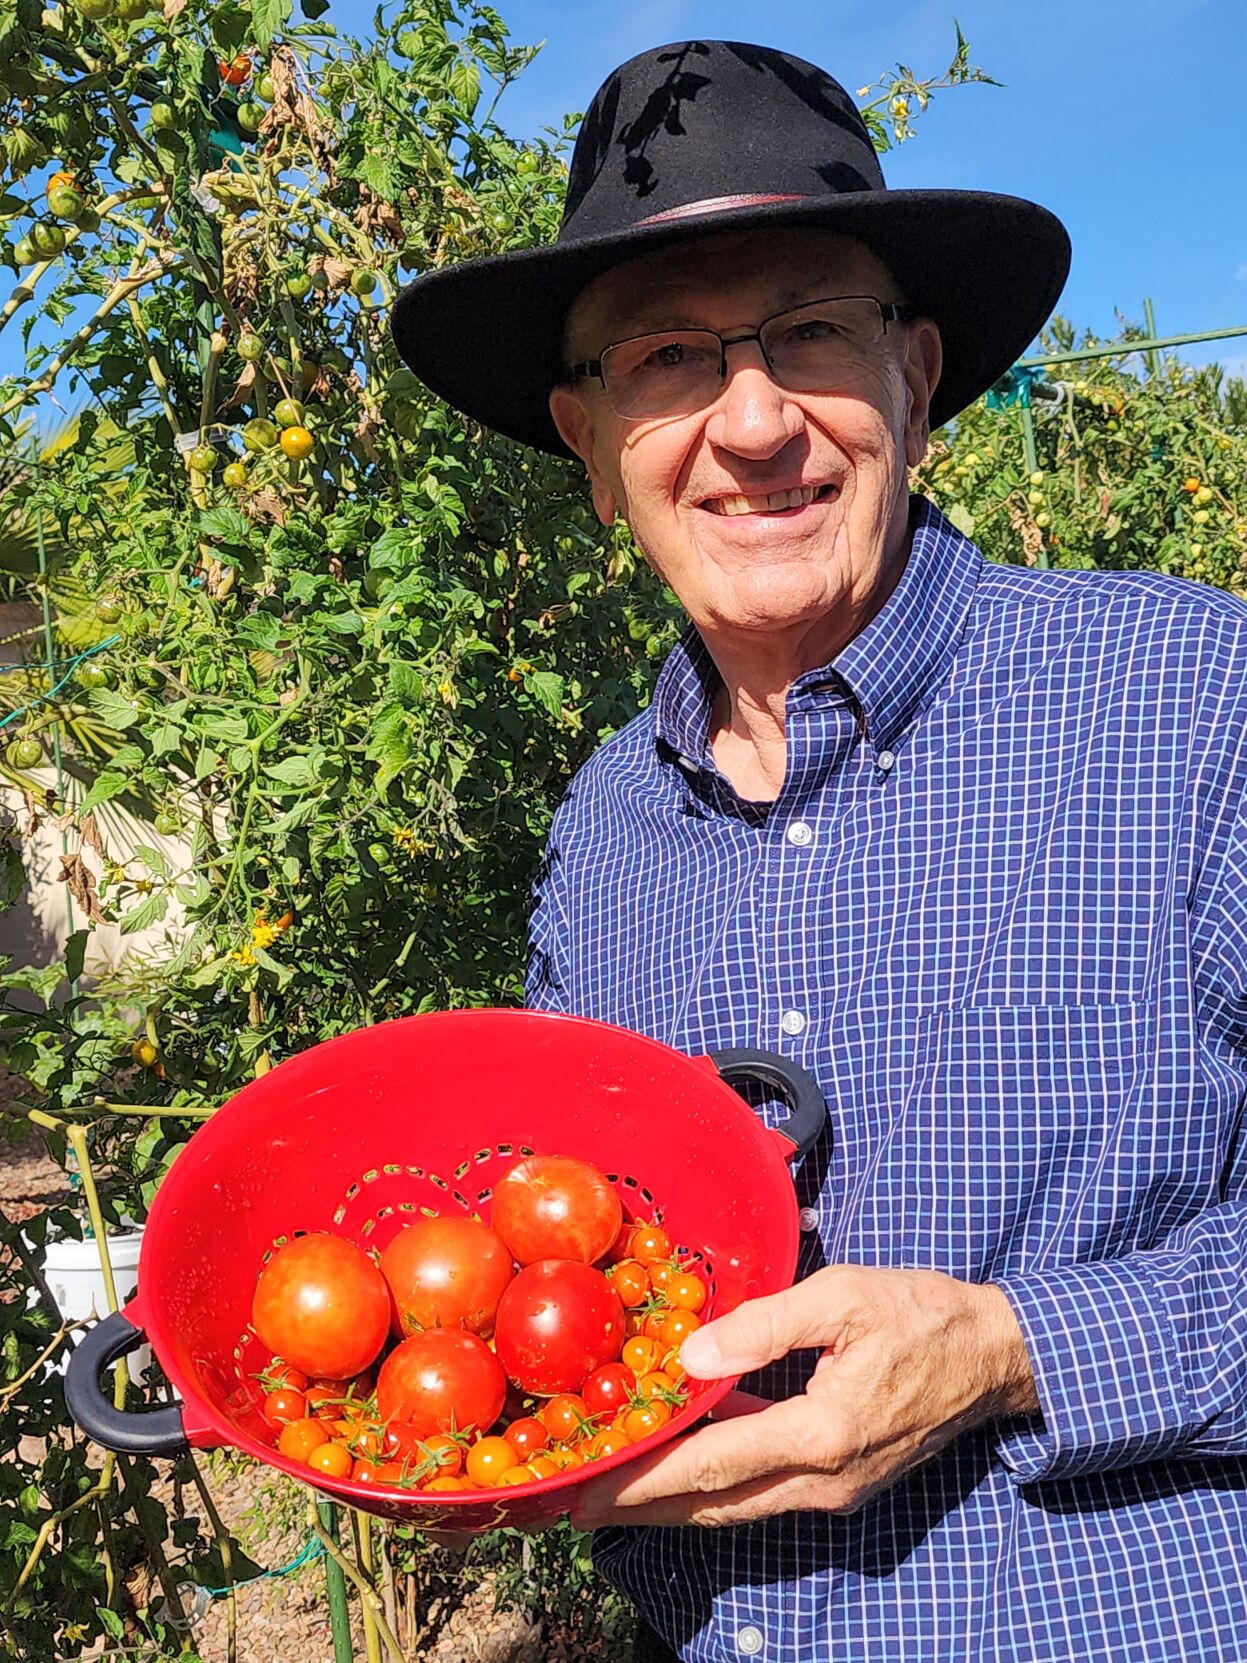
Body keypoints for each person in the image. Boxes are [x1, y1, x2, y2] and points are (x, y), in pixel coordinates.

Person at [392, 38, 1247, 1663]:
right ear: (592, 446)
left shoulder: (1197, 703)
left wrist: (1016, 1349)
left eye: (811, 333)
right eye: (668, 357)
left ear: (915, 382)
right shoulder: (603, 834)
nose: (754, 420)